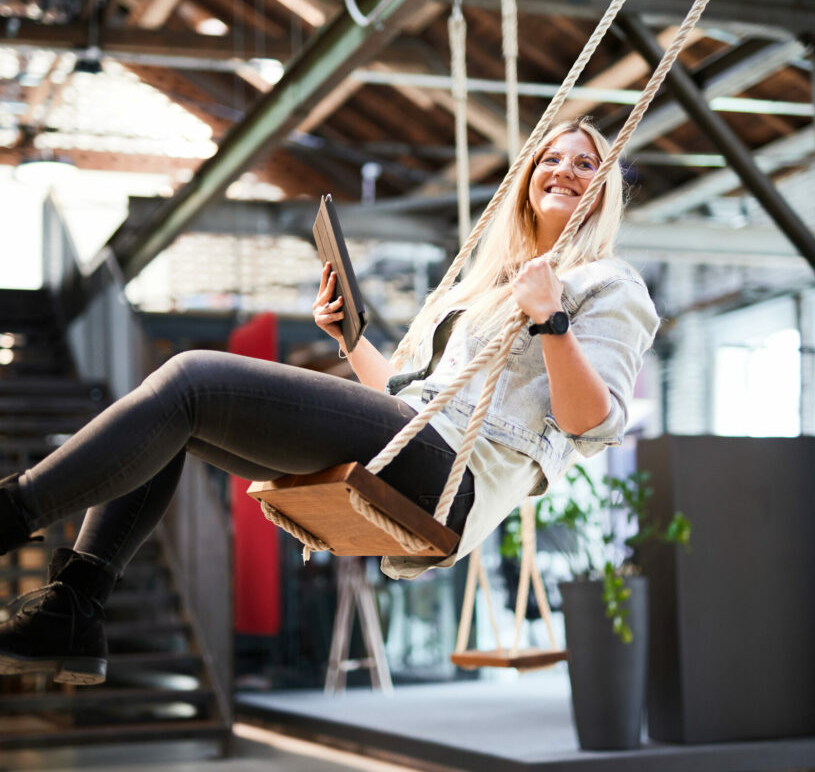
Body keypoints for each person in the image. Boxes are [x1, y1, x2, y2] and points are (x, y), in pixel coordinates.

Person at [0, 117, 659, 685]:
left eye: (585, 163)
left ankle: (14, 512)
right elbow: (403, 399)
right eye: (550, 158)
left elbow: (591, 422)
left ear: (605, 190)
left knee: (190, 378)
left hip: (459, 477)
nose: (564, 170)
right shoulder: (488, 287)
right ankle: (76, 609)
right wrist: (348, 339)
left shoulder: (609, 284)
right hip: (420, 440)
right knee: (179, 421)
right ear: (526, 180)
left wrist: (551, 320)